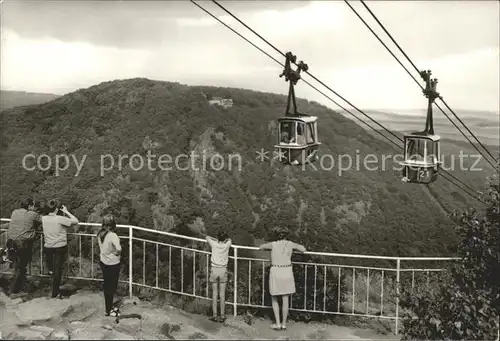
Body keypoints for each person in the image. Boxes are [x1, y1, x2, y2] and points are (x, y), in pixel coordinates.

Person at [259, 226, 306, 330]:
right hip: (287, 271)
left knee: (274, 297)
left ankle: (277, 323)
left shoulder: (273, 244)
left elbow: (261, 246)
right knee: (285, 299)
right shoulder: (290, 244)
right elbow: (303, 249)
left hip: (276, 271)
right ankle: (284, 324)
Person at [42, 199, 79, 298]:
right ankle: (55, 292)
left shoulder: (43, 218)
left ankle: (50, 271)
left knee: (52, 269)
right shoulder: (60, 218)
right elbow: (76, 221)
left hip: (48, 246)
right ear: (56, 209)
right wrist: (66, 211)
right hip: (59, 247)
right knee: (58, 269)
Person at [6, 198, 42, 295]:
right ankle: (14, 289)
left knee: (16, 266)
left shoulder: (15, 212)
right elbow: (42, 220)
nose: (34, 207)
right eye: (33, 206)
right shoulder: (32, 214)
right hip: (22, 244)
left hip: (11, 242)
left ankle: (18, 285)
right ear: (30, 206)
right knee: (20, 267)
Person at [97, 214, 122, 317]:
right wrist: (116, 253)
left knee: (107, 285)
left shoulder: (100, 234)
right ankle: (109, 310)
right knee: (111, 287)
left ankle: (109, 307)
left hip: (104, 261)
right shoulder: (113, 235)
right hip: (113, 263)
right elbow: (119, 249)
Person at [206, 231, 232, 322]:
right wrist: (224, 240)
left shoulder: (213, 244)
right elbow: (229, 239)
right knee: (222, 295)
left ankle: (214, 315)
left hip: (214, 269)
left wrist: (215, 239)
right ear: (224, 239)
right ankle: (222, 315)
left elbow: (207, 237)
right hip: (223, 270)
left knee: (214, 294)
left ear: (218, 238)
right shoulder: (227, 245)